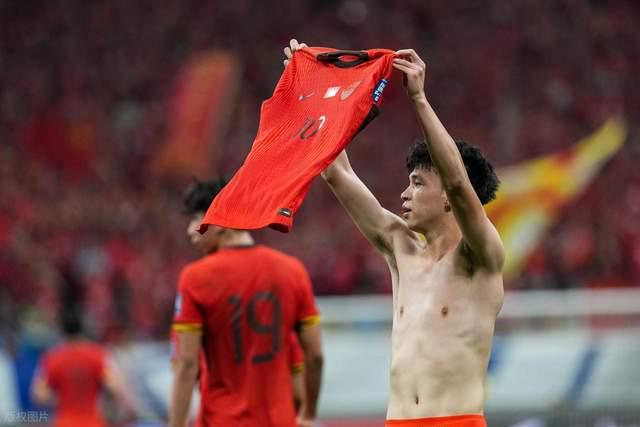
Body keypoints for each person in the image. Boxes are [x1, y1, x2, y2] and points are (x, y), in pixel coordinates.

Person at [285, 40, 504, 427]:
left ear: (449, 199)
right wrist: (309, 91)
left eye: (418, 183)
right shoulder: (401, 250)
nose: (404, 194)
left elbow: (457, 181)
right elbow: (337, 173)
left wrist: (418, 99)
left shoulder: (481, 256)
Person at [169, 177, 323, 427]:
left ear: (220, 220)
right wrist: (308, 414)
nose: (190, 230)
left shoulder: (195, 279)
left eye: (197, 218)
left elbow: (186, 364)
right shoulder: (292, 271)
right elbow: (315, 355)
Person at [31, 308, 132, 427]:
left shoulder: (52, 358)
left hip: (64, 422)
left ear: (62, 330)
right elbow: (115, 388)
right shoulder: (98, 355)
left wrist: (61, 398)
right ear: (83, 328)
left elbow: (39, 396)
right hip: (93, 422)